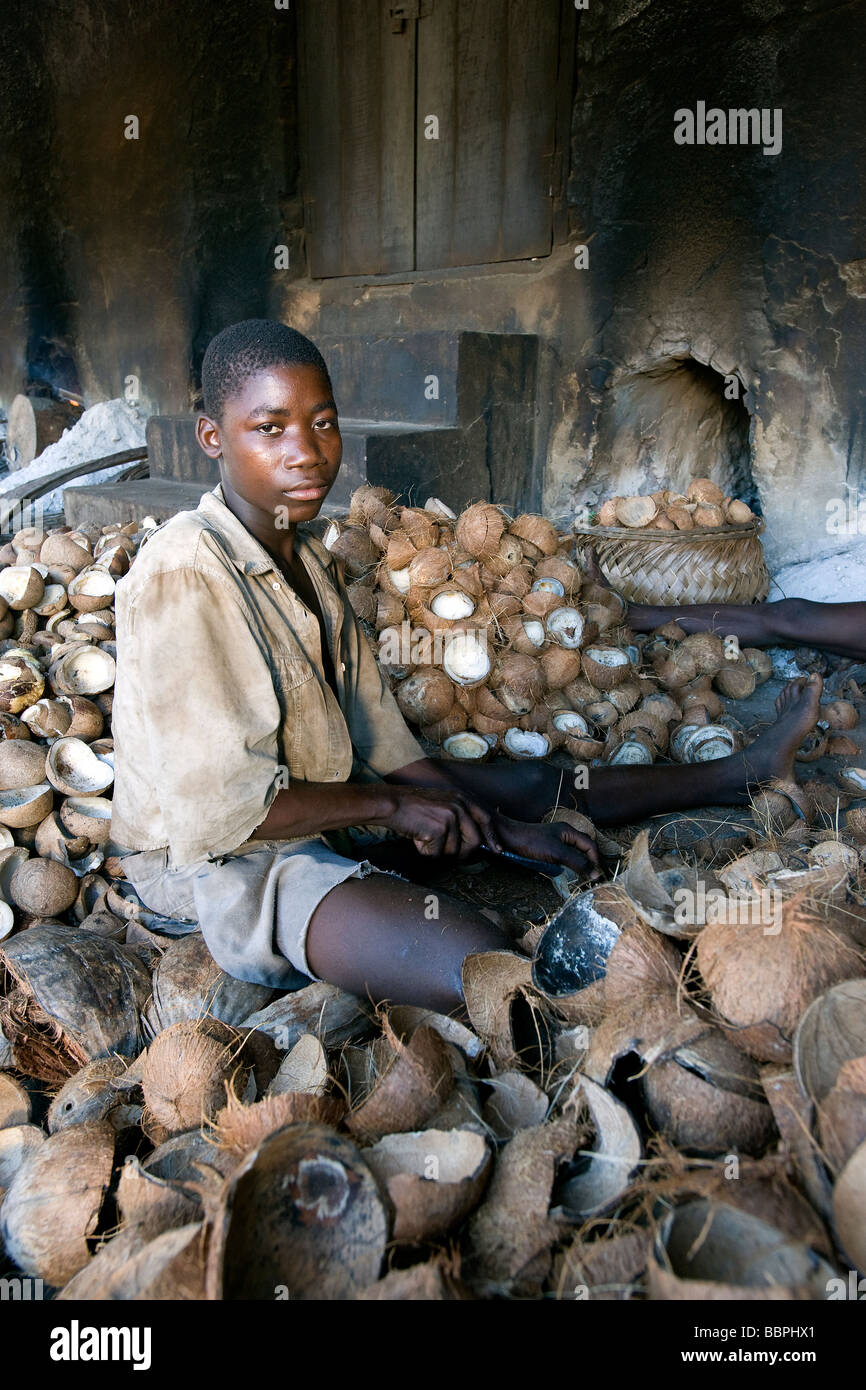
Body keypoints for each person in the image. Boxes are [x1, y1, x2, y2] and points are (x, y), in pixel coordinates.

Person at [111, 320, 825, 1015]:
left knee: (532, 781)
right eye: (270, 429)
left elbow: (384, 740)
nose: (305, 451)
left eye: (322, 423)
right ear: (213, 437)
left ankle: (737, 772)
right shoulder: (185, 572)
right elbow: (227, 812)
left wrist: (500, 828)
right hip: (218, 860)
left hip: (318, 800)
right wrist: (395, 809)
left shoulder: (309, 559)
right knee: (475, 958)